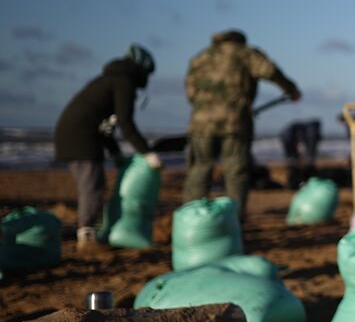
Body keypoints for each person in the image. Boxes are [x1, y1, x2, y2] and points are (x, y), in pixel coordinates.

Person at [54, 44, 162, 251]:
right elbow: (125, 122)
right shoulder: (123, 83)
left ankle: (87, 228)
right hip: (80, 137)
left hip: (72, 134)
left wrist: (116, 153)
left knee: (94, 184)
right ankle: (86, 236)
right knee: (92, 186)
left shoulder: (109, 80)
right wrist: (147, 153)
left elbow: (106, 125)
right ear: (140, 69)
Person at [184, 30, 300, 218]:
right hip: (234, 123)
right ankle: (234, 221)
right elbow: (269, 70)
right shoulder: (245, 53)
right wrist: (291, 89)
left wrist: (205, 109)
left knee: (200, 168)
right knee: (235, 171)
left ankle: (191, 219)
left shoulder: (200, 57)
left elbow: (191, 93)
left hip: (200, 123)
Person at [279, 119, 322, 188]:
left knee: (295, 162)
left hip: (291, 141)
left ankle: (299, 178)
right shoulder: (310, 132)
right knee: (298, 162)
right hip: (292, 143)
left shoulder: (305, 131)